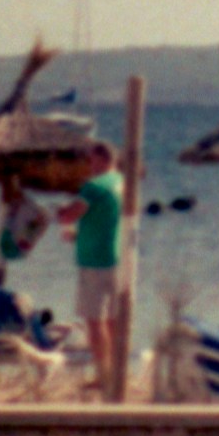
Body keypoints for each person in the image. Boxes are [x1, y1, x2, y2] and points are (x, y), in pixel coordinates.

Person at [71, 158, 128, 396]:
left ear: (102, 159)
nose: (88, 165)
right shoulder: (123, 183)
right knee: (114, 319)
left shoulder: (93, 186)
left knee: (95, 320)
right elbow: (103, 219)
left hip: (94, 260)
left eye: (91, 160)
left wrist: (61, 214)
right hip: (116, 257)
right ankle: (117, 372)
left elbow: (72, 213)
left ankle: (102, 376)